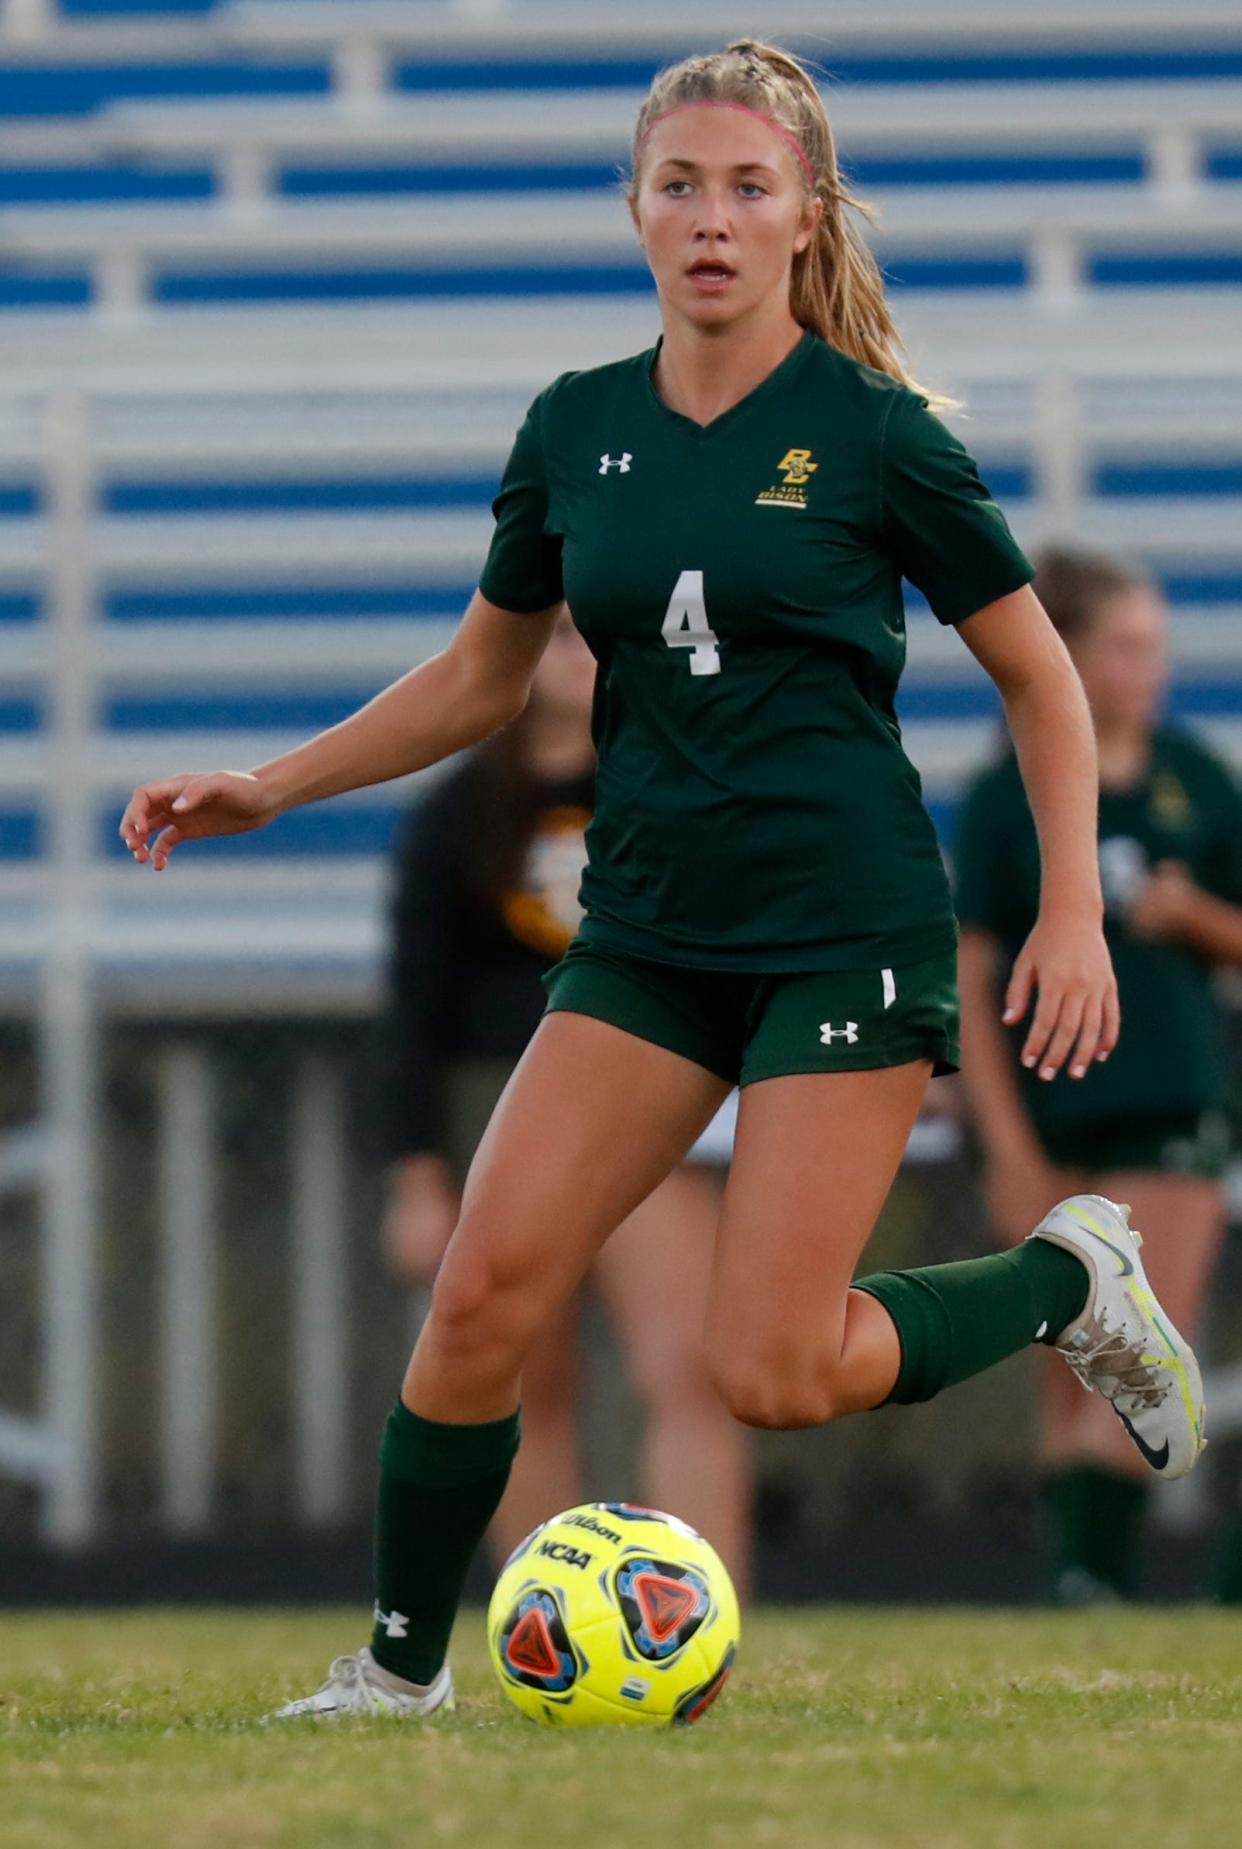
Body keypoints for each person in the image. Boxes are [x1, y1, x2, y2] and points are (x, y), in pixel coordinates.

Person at [120, 40, 1205, 1720]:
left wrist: (1070, 905)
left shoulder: (874, 433)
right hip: (645, 935)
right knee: (480, 1288)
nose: (711, 217)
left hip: (839, 934)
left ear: (803, 213)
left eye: (747, 187)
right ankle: (402, 1671)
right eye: (680, 184)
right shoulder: (574, 425)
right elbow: (484, 675)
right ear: (634, 206)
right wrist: (275, 778)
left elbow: (1045, 679)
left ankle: (1069, 1276)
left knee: (769, 1369)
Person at [381, 610, 751, 1588]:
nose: (583, 659)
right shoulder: (460, 811)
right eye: (561, 641)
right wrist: (418, 1177)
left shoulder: (668, 785)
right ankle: (542, 1607)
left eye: (601, 639)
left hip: (642, 1102)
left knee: (688, 1369)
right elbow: (412, 1009)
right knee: (523, 1381)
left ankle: (700, 1606)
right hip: (500, 1109)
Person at [956, 546, 1242, 1603]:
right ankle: (1088, 1584)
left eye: (1155, 646)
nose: (1148, 667)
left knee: (1139, 1357)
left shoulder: (1195, 778)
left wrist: (1193, 917)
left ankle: (1088, 1580)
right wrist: (1010, 1145)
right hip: (1053, 1113)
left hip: (1170, 1106)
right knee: (1073, 1380)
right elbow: (973, 978)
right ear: (1062, 653)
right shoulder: (1003, 797)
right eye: (1124, 645)